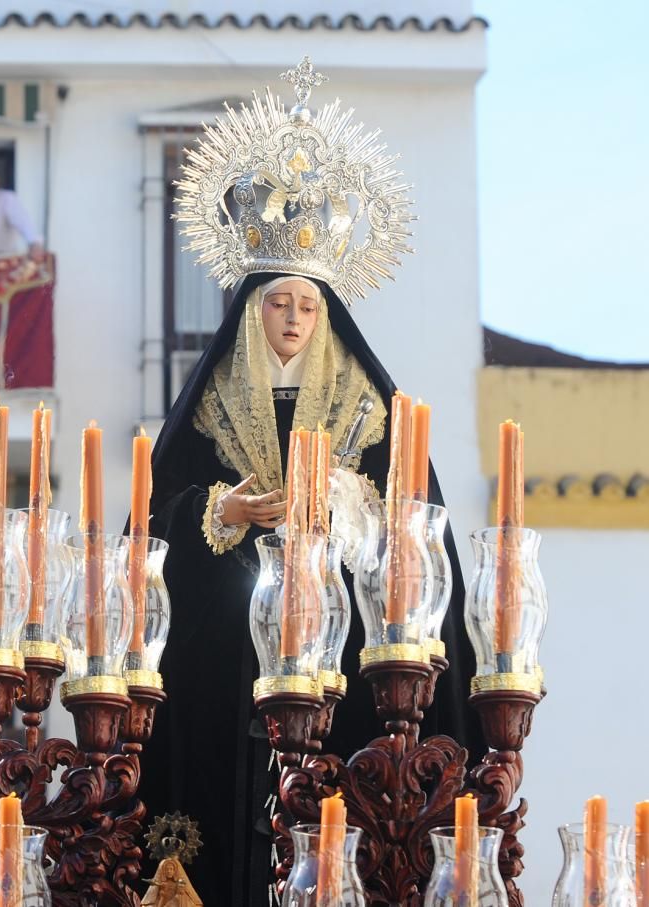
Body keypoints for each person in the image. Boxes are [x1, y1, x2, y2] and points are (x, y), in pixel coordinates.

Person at [136, 59, 486, 907]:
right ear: (250, 307)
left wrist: (350, 509)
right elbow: (147, 539)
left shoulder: (375, 415)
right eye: (275, 302)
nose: (291, 318)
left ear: (326, 316)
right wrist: (219, 513)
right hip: (222, 673)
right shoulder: (208, 411)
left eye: (306, 305)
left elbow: (418, 547)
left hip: (347, 678)